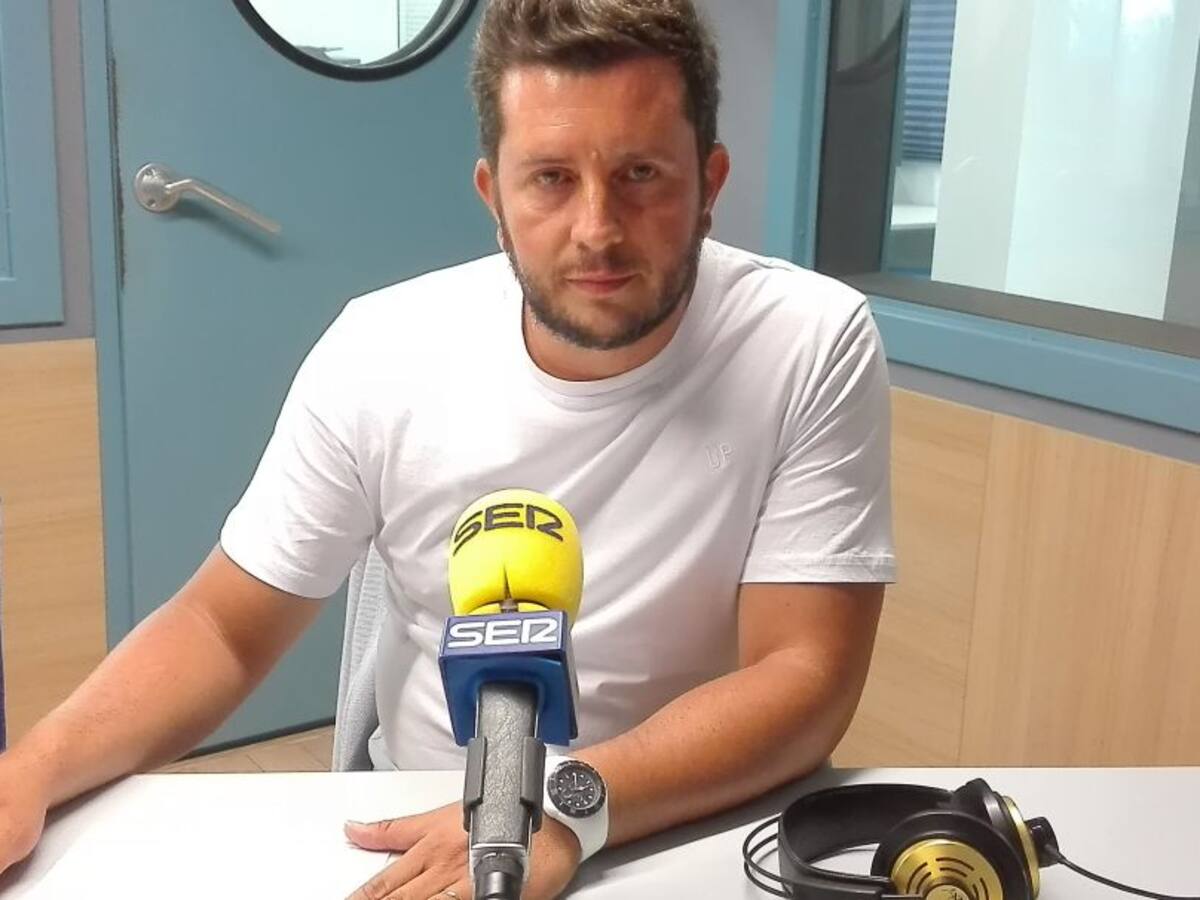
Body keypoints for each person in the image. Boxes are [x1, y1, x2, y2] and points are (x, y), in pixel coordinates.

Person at [0, 1, 896, 897]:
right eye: (550, 178)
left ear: (710, 183)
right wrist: (31, 771)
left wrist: (563, 807)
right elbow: (222, 628)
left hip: (685, 812)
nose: (597, 228)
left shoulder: (808, 340)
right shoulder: (381, 350)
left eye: (640, 174)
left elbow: (804, 674)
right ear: (493, 197)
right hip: (423, 812)